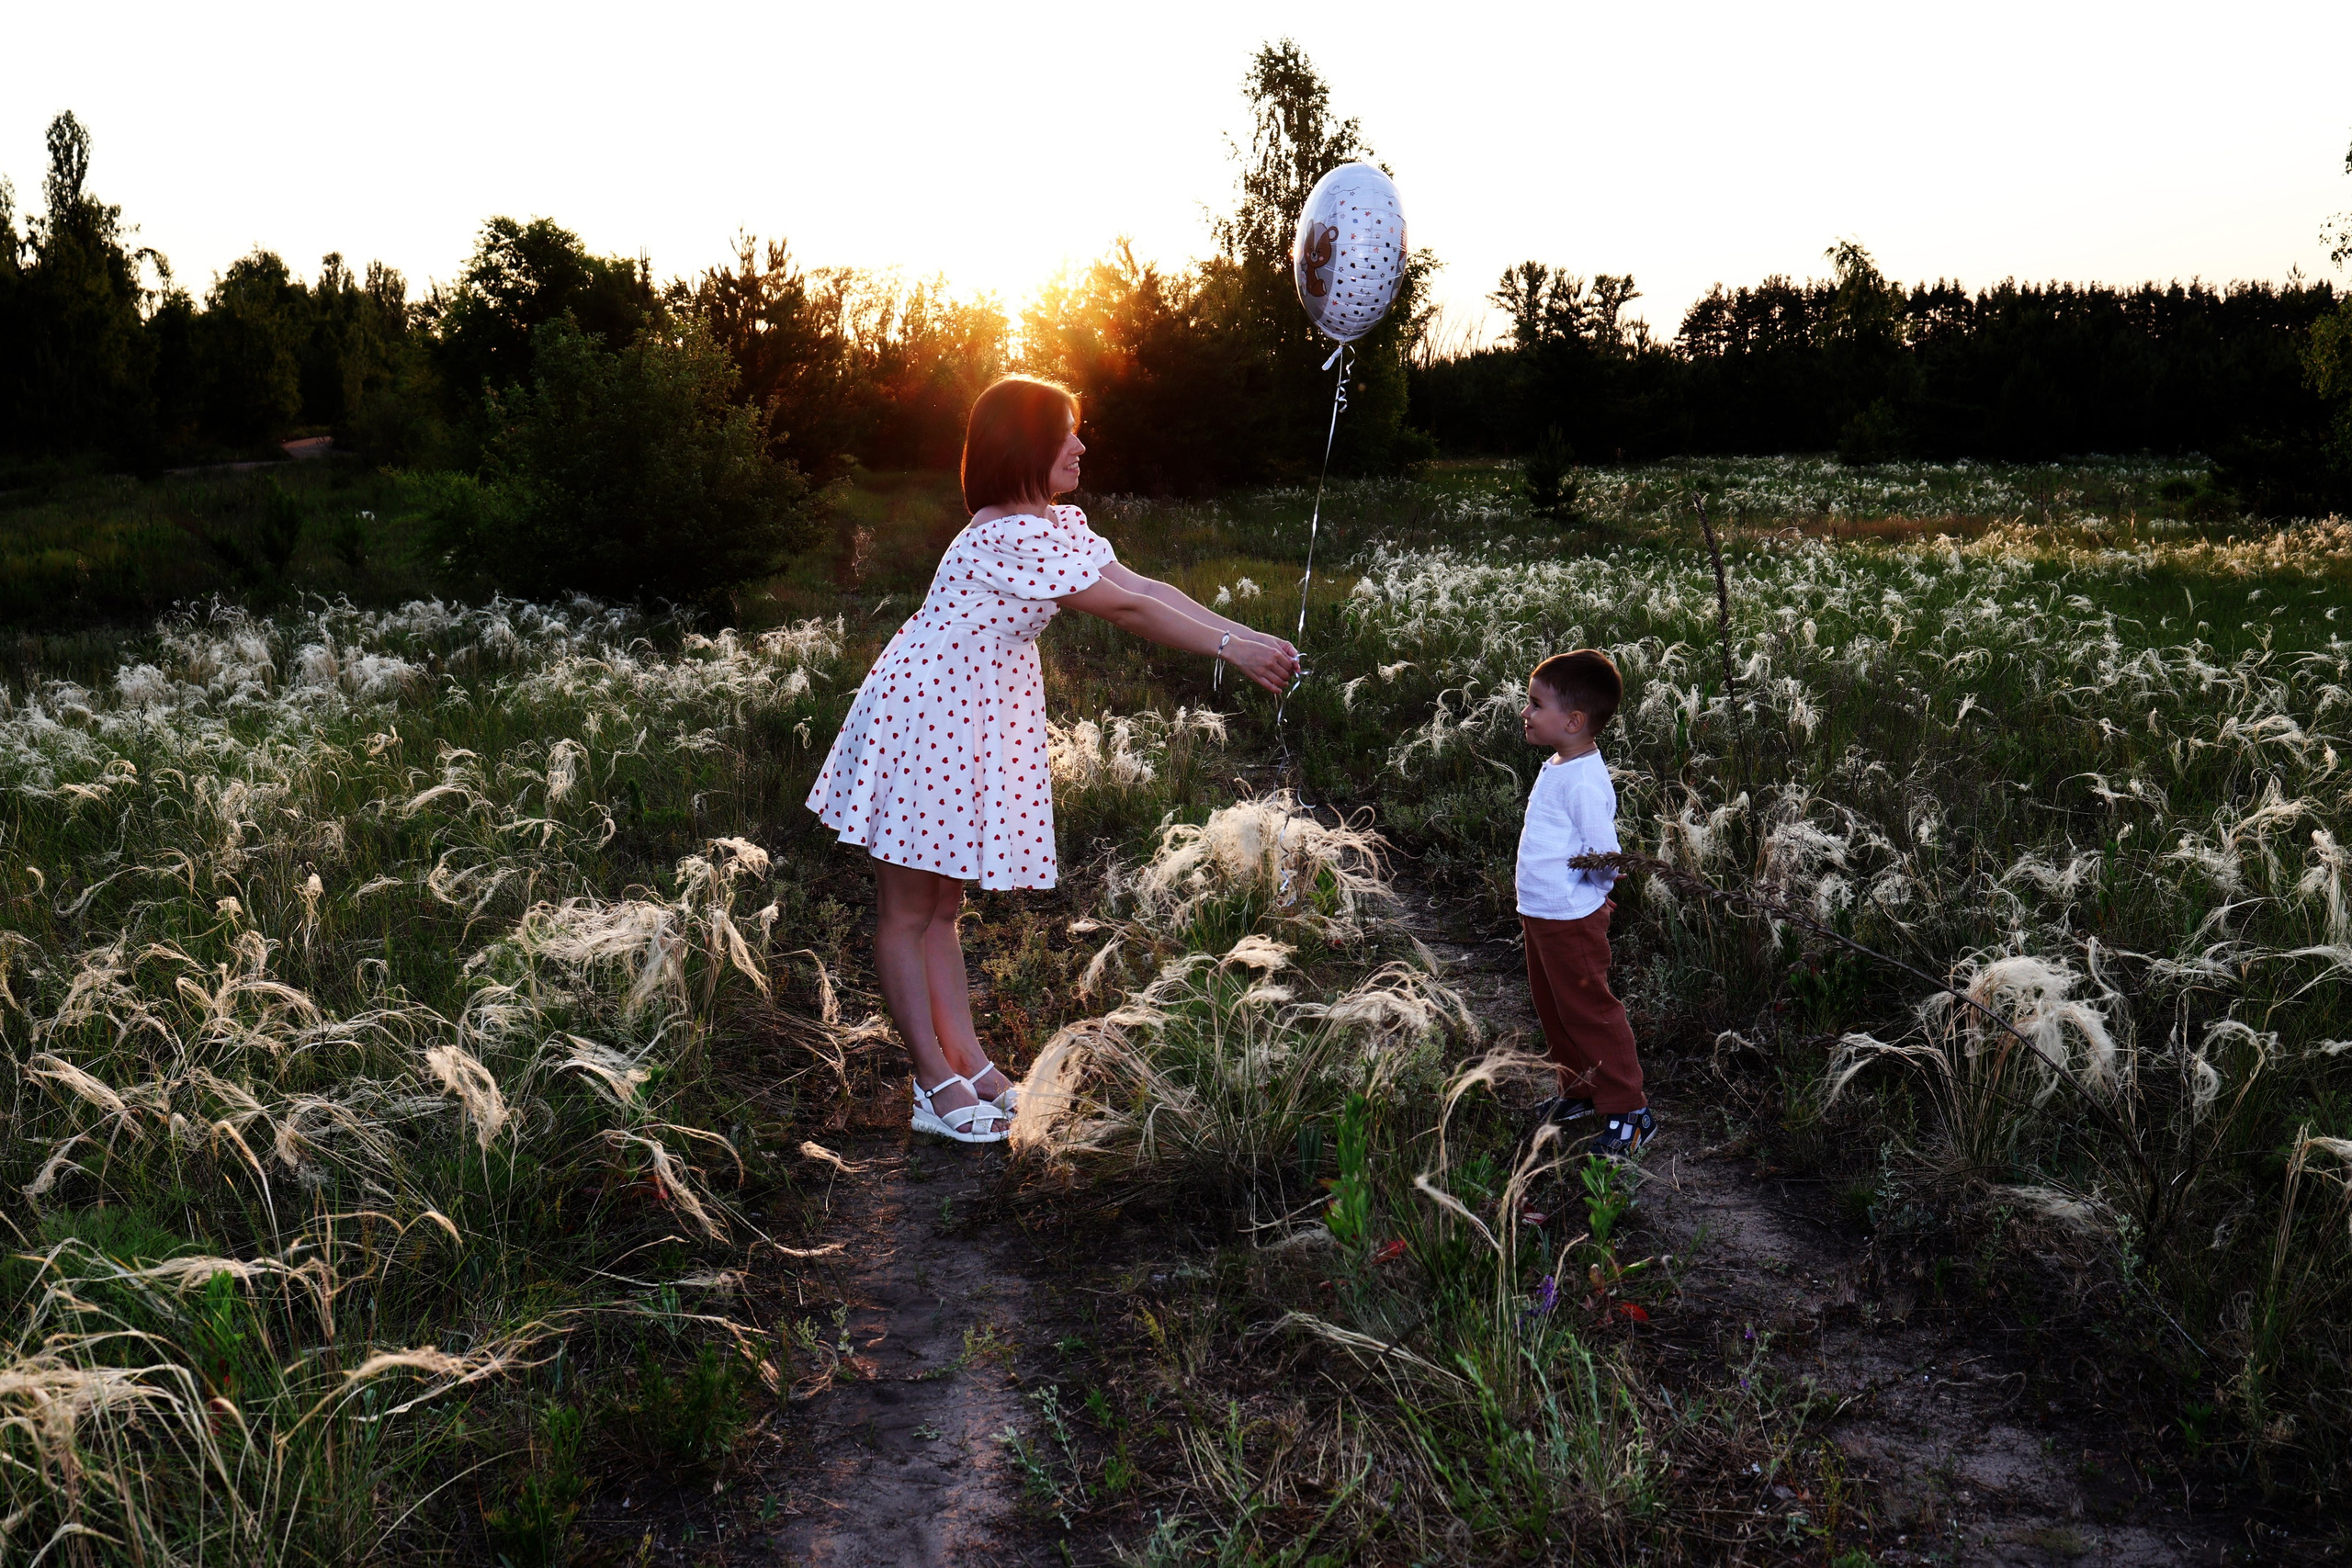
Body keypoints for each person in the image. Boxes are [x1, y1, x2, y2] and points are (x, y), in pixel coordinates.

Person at [806, 376, 1300, 1144]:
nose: (1080, 444)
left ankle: (968, 1062)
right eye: (1065, 431)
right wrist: (1232, 649)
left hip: (965, 720)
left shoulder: (1053, 524)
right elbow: (1126, 608)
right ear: (1024, 445)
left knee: (943, 907)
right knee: (906, 910)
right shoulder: (1007, 533)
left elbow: (1145, 585)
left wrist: (1246, 635)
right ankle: (932, 1081)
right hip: (925, 717)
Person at [1516, 649, 1657, 1159]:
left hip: (1569, 919)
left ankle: (1630, 1110)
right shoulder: (1558, 764)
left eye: (1536, 705)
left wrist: (1596, 895)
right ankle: (1579, 1089)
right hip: (1541, 913)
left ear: (1574, 721)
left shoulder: (1583, 781)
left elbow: (1603, 854)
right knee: (1554, 1007)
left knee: (1590, 1012)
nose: (1526, 712)